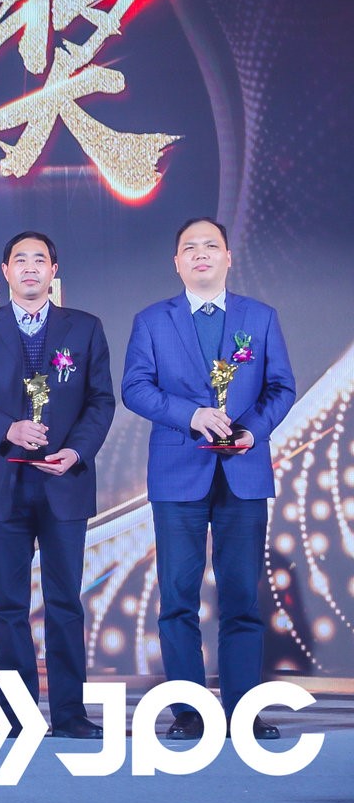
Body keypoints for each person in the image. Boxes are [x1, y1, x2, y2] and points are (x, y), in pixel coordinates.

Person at [122, 216, 295, 740]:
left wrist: (251, 432)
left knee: (242, 596)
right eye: (190, 248)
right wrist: (190, 415)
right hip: (179, 470)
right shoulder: (152, 321)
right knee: (178, 597)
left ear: (227, 257)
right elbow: (135, 387)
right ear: (176, 262)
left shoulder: (259, 317)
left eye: (211, 246)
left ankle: (243, 709)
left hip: (243, 471)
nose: (201, 254)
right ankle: (189, 711)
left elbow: (281, 387)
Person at [0, 231, 114, 740]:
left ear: (53, 270)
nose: (29, 268)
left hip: (64, 481)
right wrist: (8, 430)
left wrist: (77, 451)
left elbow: (100, 400)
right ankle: (16, 715)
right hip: (2, 481)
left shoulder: (84, 328)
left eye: (39, 259)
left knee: (65, 602)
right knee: (8, 606)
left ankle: (70, 713)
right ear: (5, 271)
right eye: (19, 260)